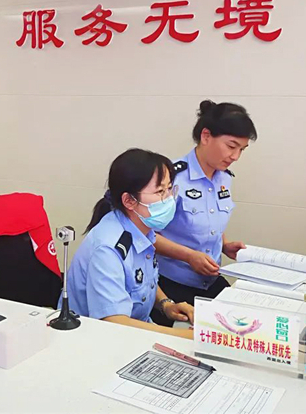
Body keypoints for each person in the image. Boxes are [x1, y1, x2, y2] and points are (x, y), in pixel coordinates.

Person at [62, 148, 194, 338]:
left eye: (169, 188)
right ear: (129, 201)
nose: (169, 199)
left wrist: (166, 305)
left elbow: (139, 280)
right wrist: (182, 337)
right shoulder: (108, 249)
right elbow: (113, 321)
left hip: (136, 330)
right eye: (159, 191)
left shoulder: (141, 229)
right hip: (96, 339)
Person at [152, 100, 257, 326]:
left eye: (242, 149)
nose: (235, 156)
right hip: (171, 284)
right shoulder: (171, 178)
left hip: (210, 282)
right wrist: (189, 256)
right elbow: (145, 235)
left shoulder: (224, 178)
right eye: (231, 146)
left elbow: (209, 220)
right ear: (206, 136)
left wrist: (225, 244)